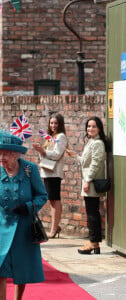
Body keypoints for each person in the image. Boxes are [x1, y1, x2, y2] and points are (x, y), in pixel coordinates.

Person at [0, 131, 48, 300]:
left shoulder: (29, 170)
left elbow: (42, 196)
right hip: (2, 226)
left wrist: (28, 207)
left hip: (23, 228)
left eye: (5, 154)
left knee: (22, 267)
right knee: (1, 268)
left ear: (15, 154)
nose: (1, 158)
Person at [66, 116, 109, 255]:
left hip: (91, 182)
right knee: (91, 212)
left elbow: (96, 164)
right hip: (88, 181)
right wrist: (75, 156)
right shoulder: (91, 142)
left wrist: (87, 180)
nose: (90, 129)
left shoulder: (97, 143)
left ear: (99, 129)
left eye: (94, 126)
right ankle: (93, 242)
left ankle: (94, 242)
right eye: (88, 126)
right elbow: (86, 162)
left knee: (93, 213)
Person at [33, 113, 67, 238]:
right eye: (51, 123)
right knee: (52, 199)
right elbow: (46, 154)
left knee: (55, 199)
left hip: (54, 172)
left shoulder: (61, 136)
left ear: (60, 124)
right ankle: (55, 227)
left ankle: (54, 229)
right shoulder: (51, 137)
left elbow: (57, 154)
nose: (53, 125)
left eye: (56, 123)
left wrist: (43, 151)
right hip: (47, 171)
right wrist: (40, 151)